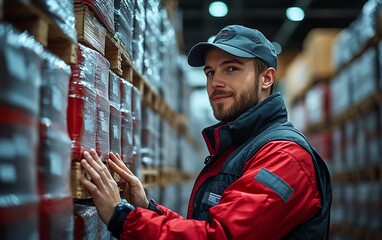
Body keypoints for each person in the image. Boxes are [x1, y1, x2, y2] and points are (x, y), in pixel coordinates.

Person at [80, 25, 332, 239]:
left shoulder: (284, 157)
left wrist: (121, 217)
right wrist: (146, 207)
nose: (216, 82)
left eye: (231, 68)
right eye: (210, 72)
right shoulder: (240, 147)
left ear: (266, 78)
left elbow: (219, 235)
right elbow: (208, 226)